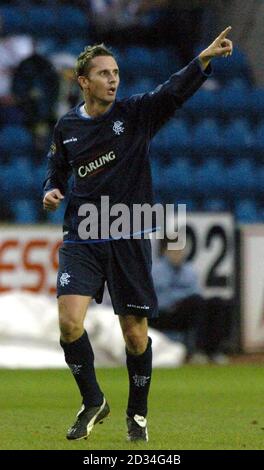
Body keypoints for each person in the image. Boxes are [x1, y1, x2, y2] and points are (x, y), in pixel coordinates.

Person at [42, 28, 233, 442]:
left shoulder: (136, 114)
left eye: (116, 72)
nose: (114, 79)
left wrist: (201, 59)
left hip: (128, 233)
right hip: (83, 235)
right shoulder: (67, 127)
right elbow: (56, 171)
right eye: (105, 73)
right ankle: (93, 399)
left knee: (134, 334)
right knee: (69, 323)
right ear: (83, 82)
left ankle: (138, 415)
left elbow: (172, 92)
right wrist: (50, 190)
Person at [150, 239, 232, 364]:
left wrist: (183, 298)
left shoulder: (189, 270)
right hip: (162, 314)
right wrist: (182, 298)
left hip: (187, 309)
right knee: (196, 303)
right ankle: (197, 351)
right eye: (174, 251)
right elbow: (159, 299)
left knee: (217, 302)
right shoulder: (155, 271)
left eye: (180, 250)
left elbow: (197, 292)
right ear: (165, 251)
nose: (178, 254)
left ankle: (214, 350)